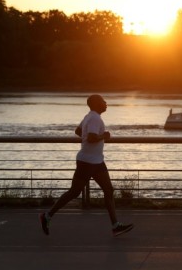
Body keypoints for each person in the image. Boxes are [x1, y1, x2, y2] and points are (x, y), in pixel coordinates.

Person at [39, 94, 134, 237]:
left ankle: (115, 226)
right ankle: (47, 215)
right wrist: (105, 136)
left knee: (108, 190)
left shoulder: (89, 116)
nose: (106, 103)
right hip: (87, 162)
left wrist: (87, 139)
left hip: (96, 161)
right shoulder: (95, 118)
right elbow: (91, 138)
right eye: (103, 101)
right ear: (96, 104)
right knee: (74, 192)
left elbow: (78, 131)